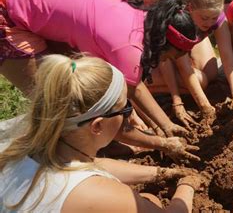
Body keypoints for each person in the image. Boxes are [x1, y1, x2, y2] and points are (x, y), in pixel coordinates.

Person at [0, 0, 199, 160]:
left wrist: (165, 125)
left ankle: (98, 143)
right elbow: (107, 115)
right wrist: (162, 143)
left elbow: (134, 86)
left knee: (79, 85)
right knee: (61, 101)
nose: (163, 61)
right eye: (167, 57)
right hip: (7, 12)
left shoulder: (143, 14)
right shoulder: (128, 46)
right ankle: (66, 156)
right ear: (161, 43)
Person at [0, 54, 203, 212]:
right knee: (149, 202)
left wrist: (162, 173)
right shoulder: (95, 194)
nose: (129, 117)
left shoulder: (23, 149)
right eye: (125, 110)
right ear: (96, 126)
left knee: (148, 200)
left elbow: (92, 165)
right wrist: (188, 184)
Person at [147, 0, 233, 129]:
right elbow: (183, 66)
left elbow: (227, 57)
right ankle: (150, 88)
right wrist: (204, 106)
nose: (210, 23)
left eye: (214, 17)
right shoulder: (181, 20)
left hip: (182, 50)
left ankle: (179, 87)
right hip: (159, 58)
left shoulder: (214, 18)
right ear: (190, 8)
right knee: (201, 81)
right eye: (205, 18)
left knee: (211, 72)